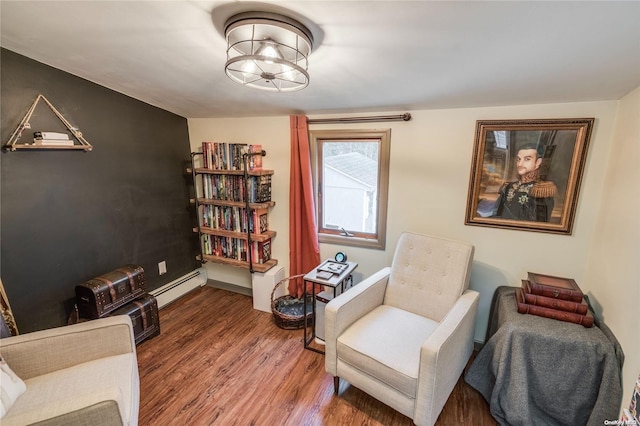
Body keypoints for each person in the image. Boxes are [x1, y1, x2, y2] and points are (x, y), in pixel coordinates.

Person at [494, 143, 557, 222]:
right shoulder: (508, 186)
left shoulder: (541, 190)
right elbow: (497, 215)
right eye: (518, 159)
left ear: (537, 162)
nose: (520, 164)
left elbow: (540, 224)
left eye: (527, 159)